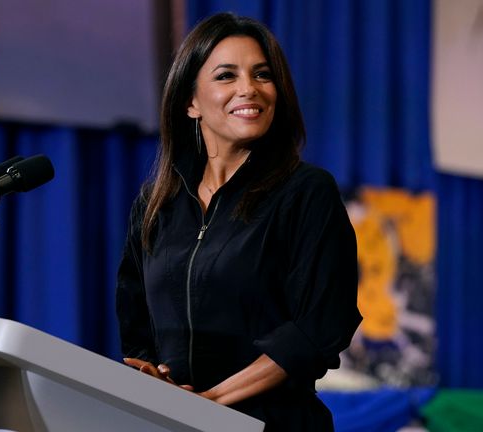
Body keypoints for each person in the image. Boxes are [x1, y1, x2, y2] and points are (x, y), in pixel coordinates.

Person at [116, 13, 361, 431]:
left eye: (263, 75)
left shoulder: (306, 192)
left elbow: (319, 327)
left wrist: (212, 400)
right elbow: (137, 328)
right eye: (226, 76)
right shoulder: (155, 205)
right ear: (190, 102)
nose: (249, 88)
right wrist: (157, 385)